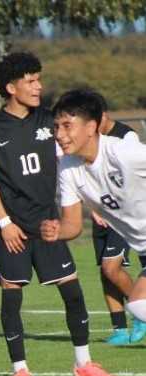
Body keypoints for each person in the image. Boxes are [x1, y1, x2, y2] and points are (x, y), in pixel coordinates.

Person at [0, 52, 115, 376]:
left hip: (49, 225)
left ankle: (83, 363)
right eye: (30, 81)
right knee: (12, 295)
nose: (38, 86)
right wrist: (5, 223)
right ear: (11, 87)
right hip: (13, 229)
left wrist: (92, 203)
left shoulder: (50, 121)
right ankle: (20, 368)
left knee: (73, 293)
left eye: (39, 79)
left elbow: (71, 163)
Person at [43, 88, 146, 346]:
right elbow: (73, 225)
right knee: (138, 304)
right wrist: (58, 230)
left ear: (92, 127)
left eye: (67, 126)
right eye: (56, 127)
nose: (59, 135)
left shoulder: (123, 152)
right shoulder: (68, 167)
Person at [85, 91, 141, 345]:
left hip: (122, 216)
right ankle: (119, 328)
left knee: (111, 267)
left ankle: (140, 313)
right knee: (104, 271)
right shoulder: (85, 143)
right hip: (101, 215)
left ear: (102, 116)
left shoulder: (126, 137)